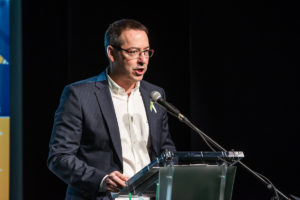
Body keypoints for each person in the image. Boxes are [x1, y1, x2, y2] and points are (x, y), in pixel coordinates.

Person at [47, 19, 176, 200]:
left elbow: (165, 150)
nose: (142, 60)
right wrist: (102, 179)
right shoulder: (79, 95)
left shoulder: (154, 94)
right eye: (133, 52)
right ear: (112, 53)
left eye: (146, 52)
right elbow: (59, 157)